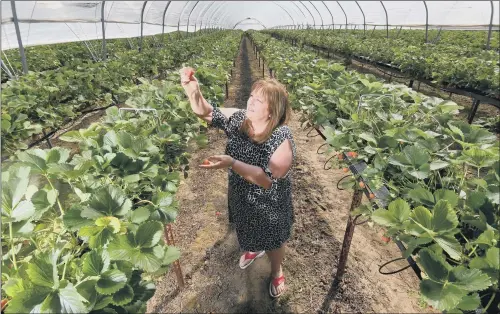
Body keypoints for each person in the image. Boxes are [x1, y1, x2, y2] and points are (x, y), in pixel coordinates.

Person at [179, 67, 296, 298]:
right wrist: (192, 90)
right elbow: (208, 113)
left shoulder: (282, 139)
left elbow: (266, 180)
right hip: (242, 193)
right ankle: (254, 247)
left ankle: (276, 271)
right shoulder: (242, 119)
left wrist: (232, 163)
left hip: (269, 202)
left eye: (258, 100)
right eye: (251, 96)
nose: (250, 102)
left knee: (273, 238)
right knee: (246, 226)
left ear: (272, 111)